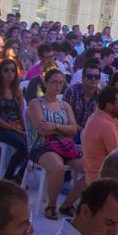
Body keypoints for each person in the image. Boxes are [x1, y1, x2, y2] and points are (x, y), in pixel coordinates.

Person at [27, 69, 86, 220]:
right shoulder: (36, 103)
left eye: (60, 83)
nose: (58, 86)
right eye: (54, 82)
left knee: (93, 168)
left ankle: (68, 204)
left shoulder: (64, 105)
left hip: (64, 146)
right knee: (57, 167)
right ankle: (51, 205)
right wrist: (61, 129)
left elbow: (74, 129)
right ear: (45, 83)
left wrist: (54, 127)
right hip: (41, 146)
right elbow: (42, 130)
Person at [0, 60, 28, 182]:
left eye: (13, 70)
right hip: (0, 128)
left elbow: (21, 116)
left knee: (37, 145)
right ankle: (8, 178)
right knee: (24, 147)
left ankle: (20, 176)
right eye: (6, 70)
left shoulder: (18, 91)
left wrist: (26, 131)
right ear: (0, 72)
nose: (10, 73)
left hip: (16, 127)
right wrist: (14, 129)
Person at [80, 86, 118, 180]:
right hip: (103, 180)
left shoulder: (96, 117)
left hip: (93, 176)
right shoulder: (106, 125)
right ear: (109, 106)